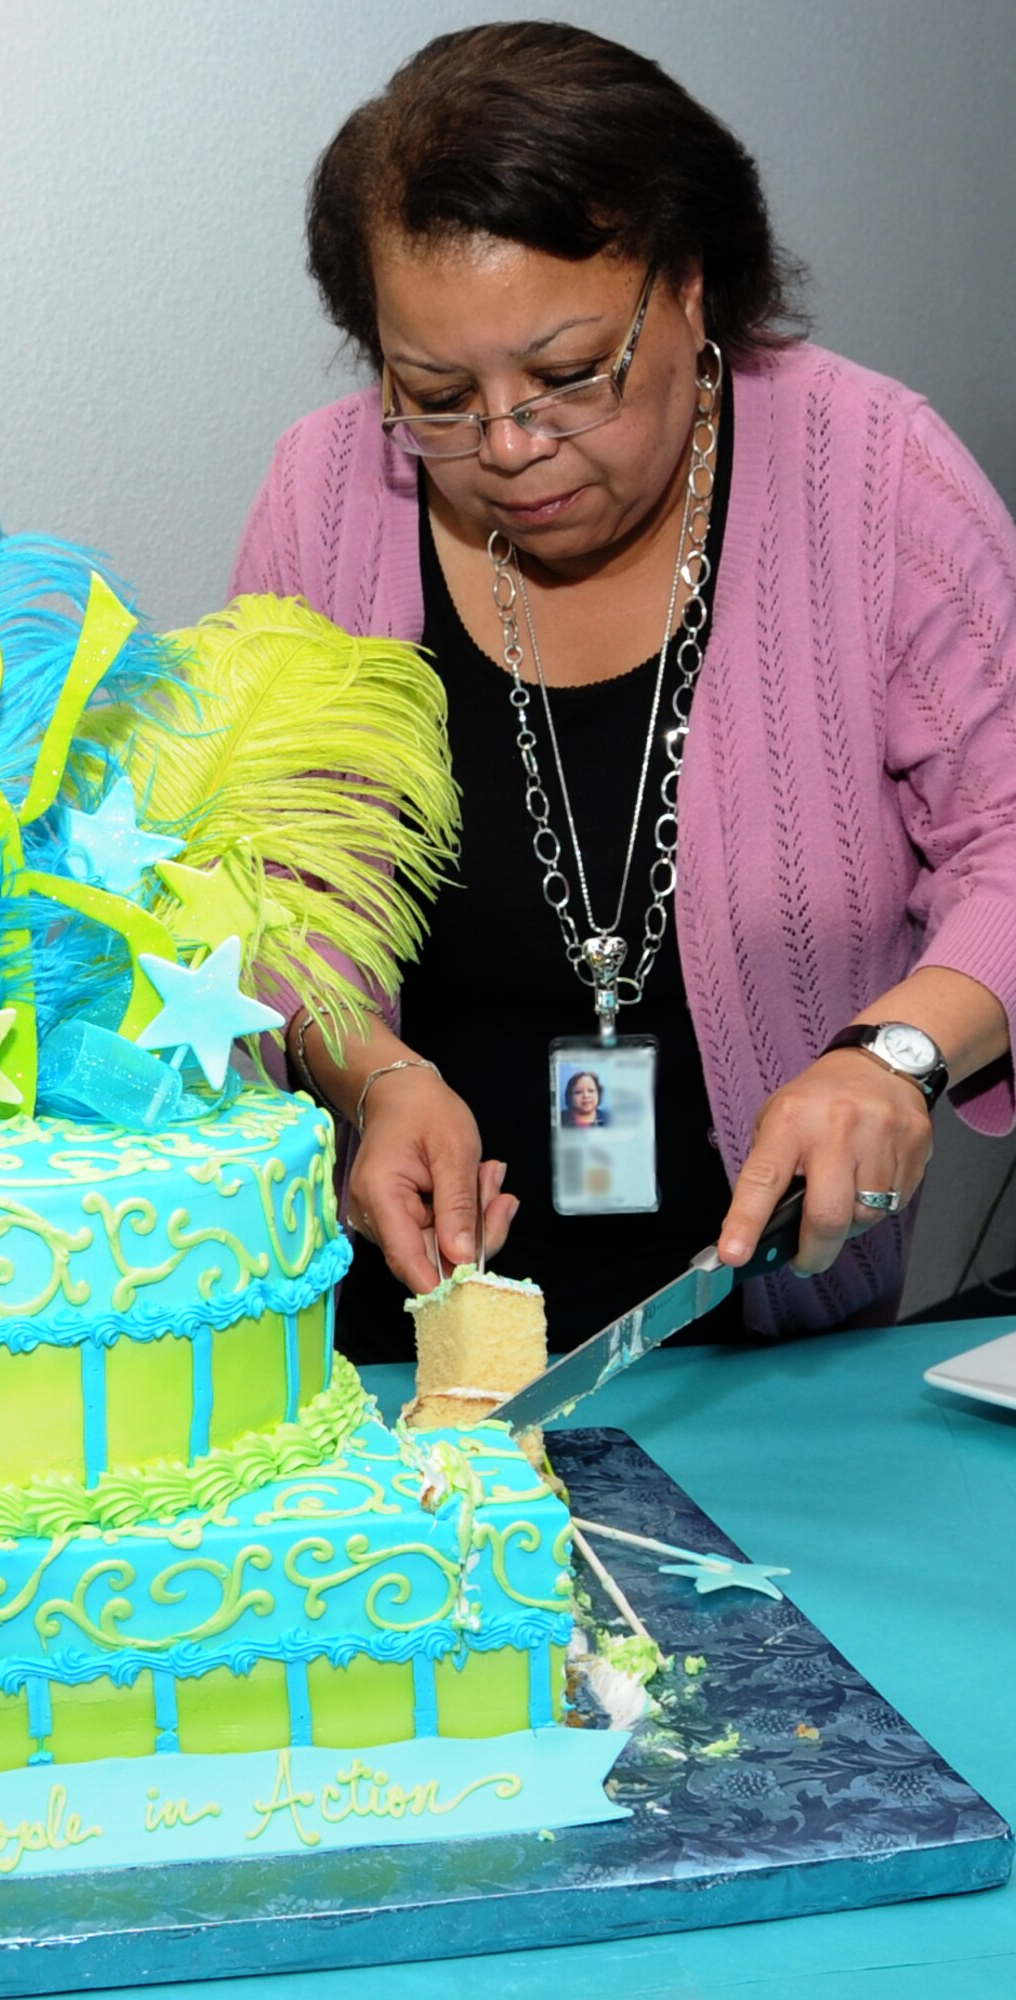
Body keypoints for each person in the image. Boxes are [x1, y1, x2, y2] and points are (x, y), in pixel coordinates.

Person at [245, 23, 1015, 1356]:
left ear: (692, 284)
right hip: (397, 1348)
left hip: (779, 1346)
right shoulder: (327, 494)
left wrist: (895, 1054)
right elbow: (275, 888)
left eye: (567, 376)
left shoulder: (877, 474)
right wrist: (374, 1078)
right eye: (438, 393)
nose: (508, 446)